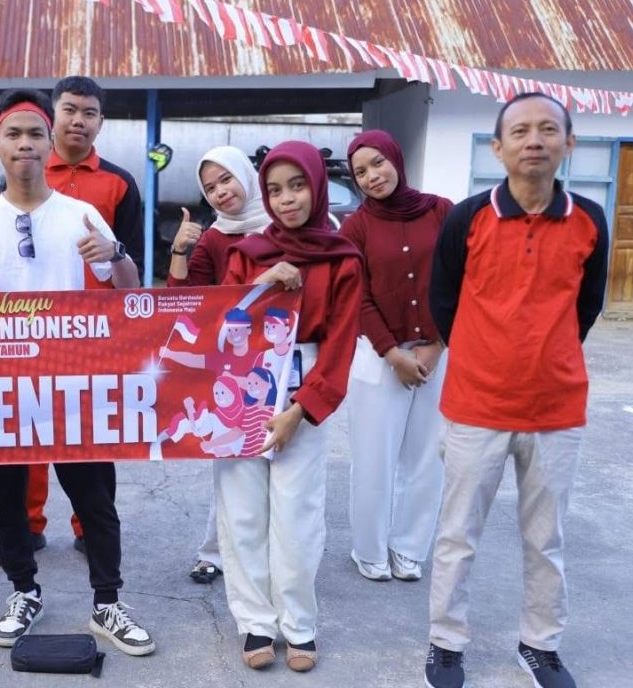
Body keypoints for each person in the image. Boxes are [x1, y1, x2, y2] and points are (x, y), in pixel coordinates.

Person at [0, 88, 154, 657]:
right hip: (3, 388)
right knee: (8, 501)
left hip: (74, 383)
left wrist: (116, 254)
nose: (25, 144)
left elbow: (130, 293)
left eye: (35, 134)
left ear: (49, 142)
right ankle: (23, 591)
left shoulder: (81, 215)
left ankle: (107, 601)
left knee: (94, 499)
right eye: (14, 134)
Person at [424, 93, 608, 688]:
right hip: (476, 405)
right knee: (457, 535)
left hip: (556, 409)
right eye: (521, 131)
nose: (535, 140)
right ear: (498, 147)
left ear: (568, 143)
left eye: (548, 129)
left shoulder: (589, 220)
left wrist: (545, 356)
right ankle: (446, 644)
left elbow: (587, 306)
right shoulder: (468, 218)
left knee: (546, 539)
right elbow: (443, 301)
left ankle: (540, 645)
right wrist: (486, 357)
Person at [0, 75, 145, 567]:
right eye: (70, 110)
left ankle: (90, 528)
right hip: (26, 336)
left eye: (89, 112)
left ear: (101, 122)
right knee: (25, 436)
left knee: (91, 439)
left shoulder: (119, 183)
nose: (79, 120)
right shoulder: (25, 169)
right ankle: (27, 527)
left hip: (94, 339)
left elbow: (132, 265)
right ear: (52, 118)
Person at [216, 141, 362, 672]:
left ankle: (299, 623)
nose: (287, 199)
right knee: (243, 510)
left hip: (304, 389)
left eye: (297, 186)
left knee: (297, 513)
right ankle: (255, 621)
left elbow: (341, 343)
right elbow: (220, 323)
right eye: (275, 190)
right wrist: (262, 283)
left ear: (318, 186)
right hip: (242, 385)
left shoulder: (342, 258)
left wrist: (301, 409)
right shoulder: (247, 253)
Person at [339, 130, 453, 582]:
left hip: (436, 352)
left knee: (427, 457)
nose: (372, 176)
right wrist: (392, 353)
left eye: (377, 163)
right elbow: (357, 297)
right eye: (360, 172)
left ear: (395, 159)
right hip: (377, 356)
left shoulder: (441, 211)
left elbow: (459, 278)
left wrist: (437, 343)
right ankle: (368, 549)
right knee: (374, 457)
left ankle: (409, 547)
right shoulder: (355, 227)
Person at [166, 145, 270, 583]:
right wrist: (179, 250)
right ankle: (215, 552)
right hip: (232, 365)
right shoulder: (214, 238)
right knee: (231, 461)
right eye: (210, 188)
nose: (221, 192)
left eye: (226, 179)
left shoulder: (283, 226)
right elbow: (182, 299)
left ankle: (270, 556)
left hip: (281, 360)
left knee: (281, 468)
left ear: (246, 175)